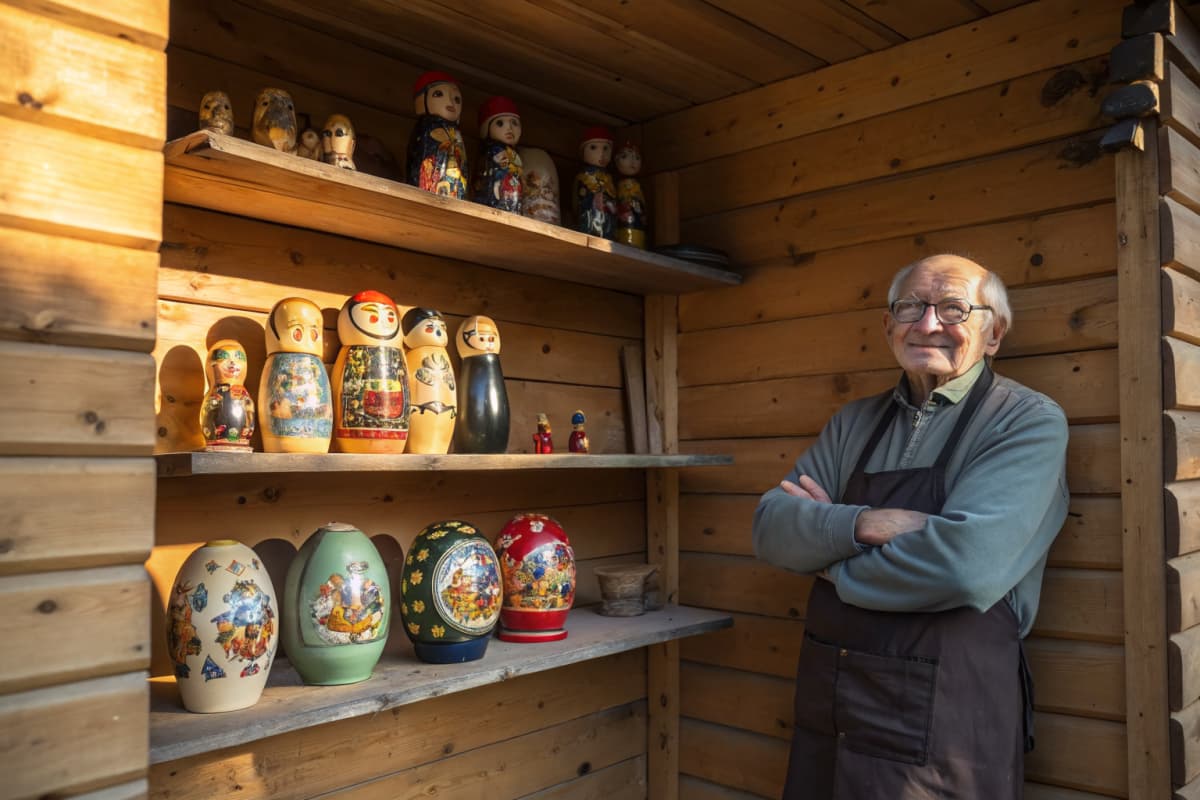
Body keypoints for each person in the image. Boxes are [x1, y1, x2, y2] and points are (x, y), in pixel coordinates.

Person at [752, 254, 1069, 799]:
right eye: (911, 307)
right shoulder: (853, 423)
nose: (927, 324)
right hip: (834, 703)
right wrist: (868, 523)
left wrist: (829, 560)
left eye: (953, 309)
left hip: (950, 723)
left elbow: (964, 566)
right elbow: (771, 527)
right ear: (888, 325)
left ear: (994, 333)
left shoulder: (1026, 421)